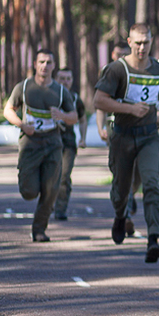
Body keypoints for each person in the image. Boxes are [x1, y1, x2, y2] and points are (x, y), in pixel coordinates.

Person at [93, 24, 159, 263]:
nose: (142, 47)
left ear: (151, 41)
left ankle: (153, 238)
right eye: (137, 43)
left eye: (146, 42)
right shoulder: (117, 69)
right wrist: (129, 109)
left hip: (150, 136)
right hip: (123, 136)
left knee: (152, 184)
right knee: (121, 189)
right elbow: (99, 100)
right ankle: (120, 216)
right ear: (129, 42)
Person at [3, 49, 78, 242]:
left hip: (53, 143)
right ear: (35, 64)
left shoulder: (60, 91)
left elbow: (74, 117)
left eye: (49, 62)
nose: (45, 66)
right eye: (41, 62)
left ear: (54, 66)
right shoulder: (24, 87)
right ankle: (30, 188)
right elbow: (8, 110)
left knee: (51, 189)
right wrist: (21, 124)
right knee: (29, 192)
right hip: (30, 143)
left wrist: (62, 115)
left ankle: (39, 230)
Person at [96, 44, 142, 237]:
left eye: (125, 54)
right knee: (121, 172)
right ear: (113, 55)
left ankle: (130, 196)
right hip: (116, 130)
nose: (123, 57)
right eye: (119, 54)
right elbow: (100, 103)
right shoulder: (109, 73)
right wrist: (100, 127)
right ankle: (125, 213)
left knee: (138, 174)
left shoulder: (138, 71)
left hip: (139, 129)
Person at [53, 67, 88, 220]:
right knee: (50, 176)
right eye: (62, 78)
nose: (65, 82)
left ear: (72, 80)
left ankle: (60, 208)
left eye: (68, 79)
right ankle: (47, 204)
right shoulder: (49, 95)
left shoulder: (75, 99)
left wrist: (83, 138)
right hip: (49, 141)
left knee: (64, 176)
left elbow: (82, 119)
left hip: (68, 143)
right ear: (56, 79)